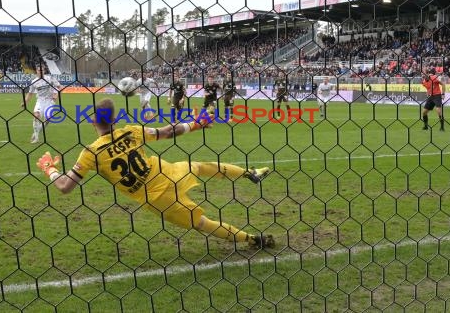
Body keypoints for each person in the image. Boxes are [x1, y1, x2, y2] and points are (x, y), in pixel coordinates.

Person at [36, 98, 275, 249]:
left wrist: (51, 169)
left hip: (156, 198)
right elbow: (168, 132)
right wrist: (195, 124)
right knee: (200, 166)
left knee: (202, 223)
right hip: (167, 173)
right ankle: (249, 173)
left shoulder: (90, 153)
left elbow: (65, 186)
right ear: (115, 119)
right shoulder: (130, 131)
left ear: (91, 122)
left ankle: (252, 239)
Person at [21, 65, 62, 144]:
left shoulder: (50, 78)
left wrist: (56, 94)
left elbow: (59, 87)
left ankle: (36, 132)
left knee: (48, 119)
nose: (41, 72)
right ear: (36, 71)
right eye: (39, 70)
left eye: (42, 70)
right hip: (40, 101)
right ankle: (36, 138)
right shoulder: (34, 82)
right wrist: (24, 102)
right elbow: (30, 94)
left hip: (50, 101)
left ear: (44, 71)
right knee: (36, 116)